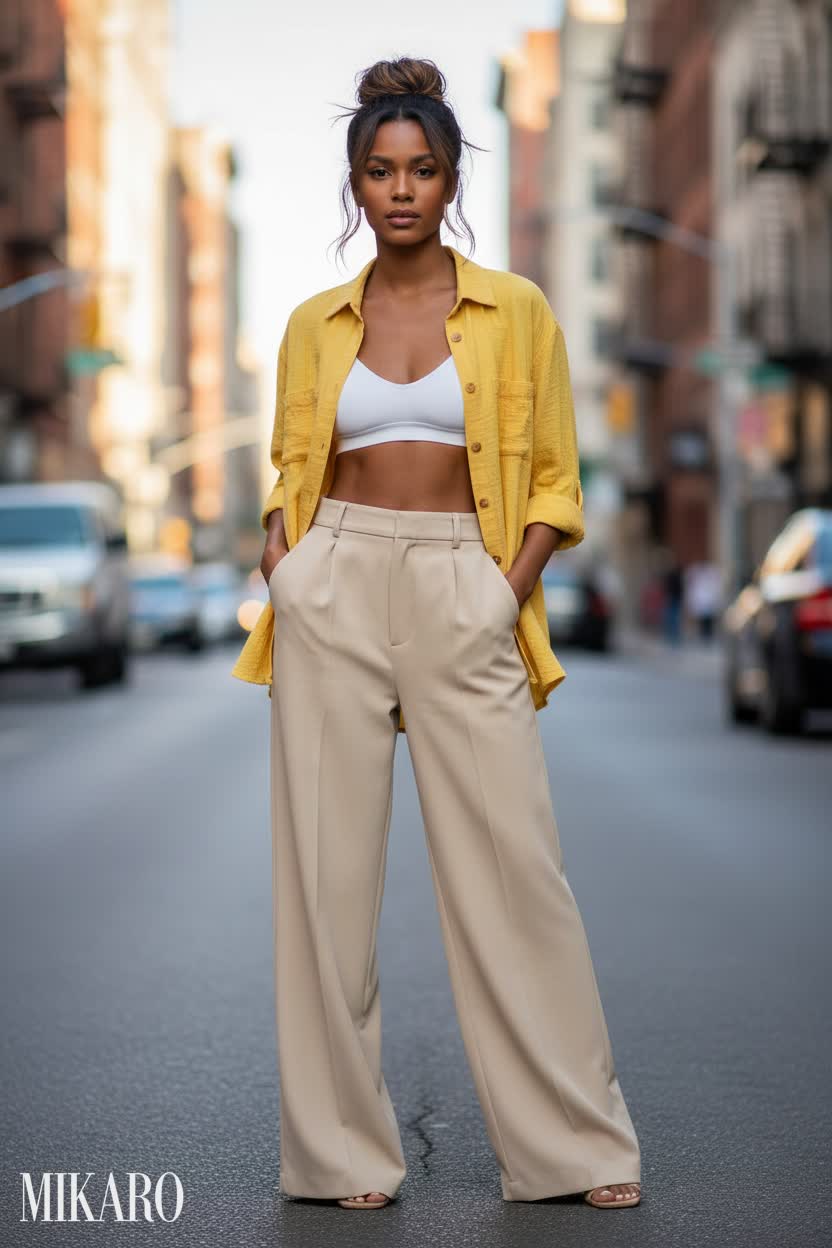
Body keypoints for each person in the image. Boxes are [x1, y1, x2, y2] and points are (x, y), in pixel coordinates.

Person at [232, 56, 642, 1212]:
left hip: (468, 578)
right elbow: (287, 465)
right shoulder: (315, 324)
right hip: (332, 586)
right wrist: (288, 564)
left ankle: (571, 1148)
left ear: (451, 178)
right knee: (324, 888)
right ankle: (340, 1156)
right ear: (355, 185)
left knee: (516, 875)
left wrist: (503, 587)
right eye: (379, 171)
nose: (400, 190)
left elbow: (556, 479)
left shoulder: (515, 311)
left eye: (420, 170)